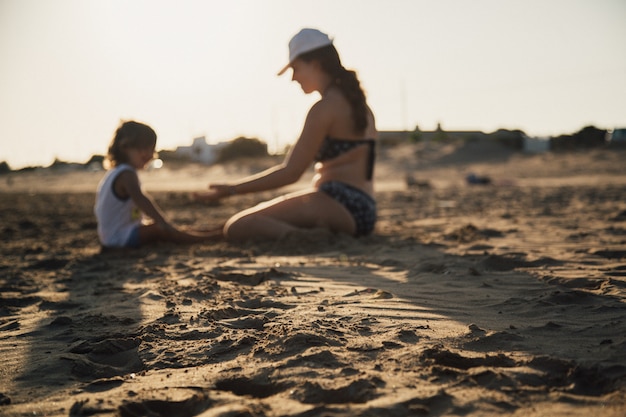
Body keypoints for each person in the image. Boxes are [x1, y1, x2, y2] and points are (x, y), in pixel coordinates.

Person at [194, 28, 378, 242]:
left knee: (237, 226)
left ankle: (307, 239)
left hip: (339, 203)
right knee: (249, 221)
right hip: (364, 208)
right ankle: (308, 234)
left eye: (296, 69)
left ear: (315, 64)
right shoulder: (361, 106)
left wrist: (231, 190)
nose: (293, 78)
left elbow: (291, 173)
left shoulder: (324, 108)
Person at [95, 120, 217, 249]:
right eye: (143, 149)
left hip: (113, 235)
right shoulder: (126, 174)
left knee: (163, 228)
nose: (149, 154)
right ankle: (209, 237)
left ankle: (203, 232)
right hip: (119, 238)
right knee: (160, 229)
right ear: (125, 147)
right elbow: (140, 199)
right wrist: (162, 222)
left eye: (152, 149)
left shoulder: (116, 173)